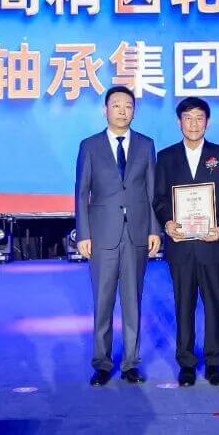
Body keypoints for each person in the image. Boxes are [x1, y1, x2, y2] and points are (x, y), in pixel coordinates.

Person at [73, 85, 161, 386]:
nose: (123, 111)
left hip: (136, 232)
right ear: (105, 110)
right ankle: (101, 363)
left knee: (133, 301)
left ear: (134, 111)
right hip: (101, 234)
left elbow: (152, 191)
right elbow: (81, 192)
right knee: (103, 300)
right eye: (117, 106)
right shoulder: (90, 145)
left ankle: (131, 364)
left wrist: (154, 229)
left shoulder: (146, 145)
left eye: (128, 106)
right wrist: (83, 233)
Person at [153, 97, 219, 386]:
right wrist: (167, 222)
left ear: (207, 122)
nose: (193, 124)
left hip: (211, 244)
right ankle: (186, 363)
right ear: (179, 122)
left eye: (199, 118)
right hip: (180, 245)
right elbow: (159, 198)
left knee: (214, 305)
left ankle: (214, 363)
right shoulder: (166, 157)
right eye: (188, 118)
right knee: (183, 305)